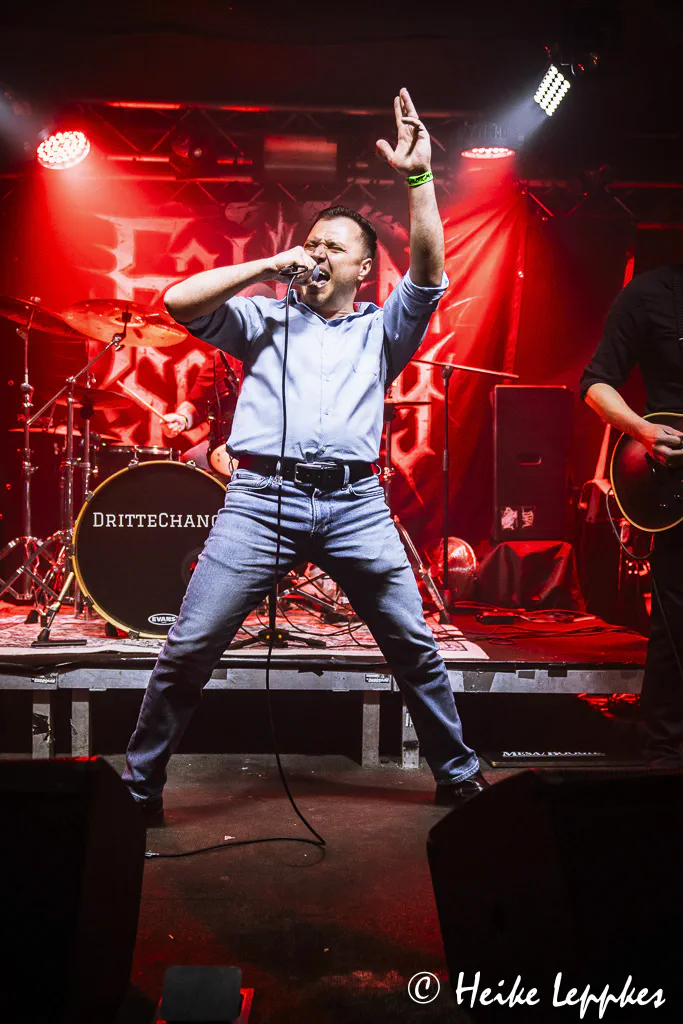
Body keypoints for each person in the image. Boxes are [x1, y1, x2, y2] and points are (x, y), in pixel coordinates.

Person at [122, 88, 488, 822]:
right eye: (312, 243)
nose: (318, 254)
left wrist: (419, 179)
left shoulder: (382, 329)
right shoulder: (260, 318)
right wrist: (268, 263)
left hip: (355, 506)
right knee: (189, 648)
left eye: (334, 248)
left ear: (363, 270)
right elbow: (178, 303)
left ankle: (458, 775)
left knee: (414, 648)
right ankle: (137, 788)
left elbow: (426, 270)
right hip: (260, 503)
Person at [581, 260, 683, 767]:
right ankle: (666, 751)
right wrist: (643, 430)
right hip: (675, 485)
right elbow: (596, 382)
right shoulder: (650, 294)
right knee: (676, 623)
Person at [161, 349, 240, 478]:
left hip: (267, 443)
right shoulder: (221, 356)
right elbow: (197, 403)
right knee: (191, 461)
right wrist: (182, 419)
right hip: (227, 442)